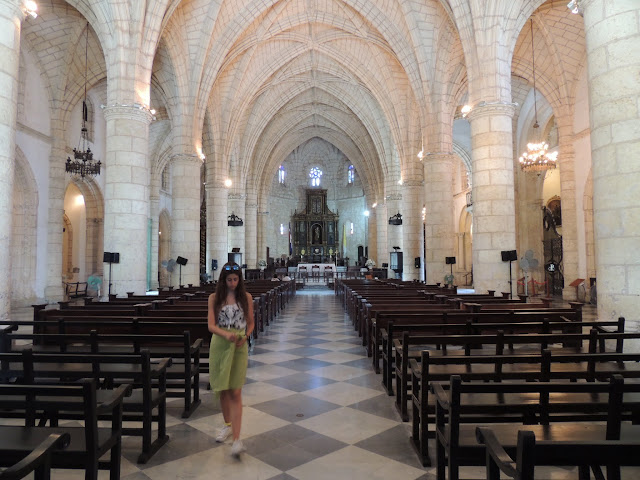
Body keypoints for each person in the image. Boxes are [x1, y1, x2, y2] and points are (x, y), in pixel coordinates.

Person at [207, 262, 254, 458]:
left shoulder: (247, 298)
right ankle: (227, 425)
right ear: (223, 280)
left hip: (239, 346)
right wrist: (225, 335)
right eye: (229, 280)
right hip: (220, 344)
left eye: (235, 279)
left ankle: (236, 439)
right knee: (223, 389)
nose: (232, 283)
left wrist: (245, 336)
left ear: (240, 280)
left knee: (235, 390)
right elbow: (210, 325)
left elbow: (251, 323)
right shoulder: (214, 298)